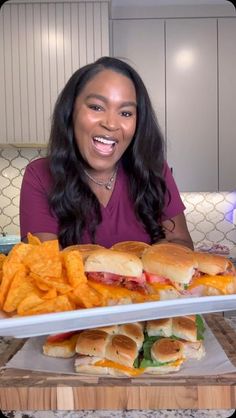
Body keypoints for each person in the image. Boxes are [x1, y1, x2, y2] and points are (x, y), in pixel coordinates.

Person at [20, 56, 193, 250]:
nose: (110, 124)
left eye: (126, 113)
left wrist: (161, 254)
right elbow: (43, 263)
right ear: (70, 111)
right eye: (96, 107)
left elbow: (181, 242)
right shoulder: (39, 174)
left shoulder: (154, 169)